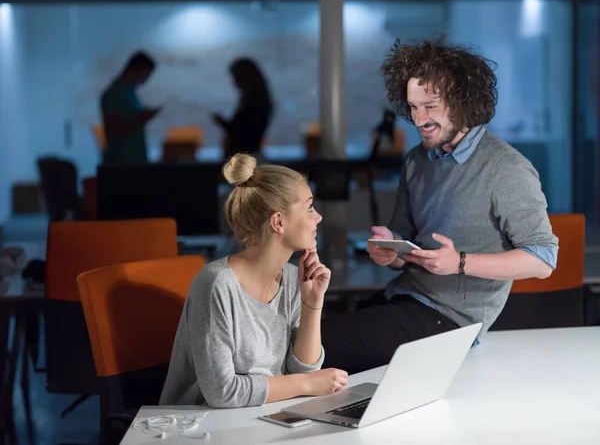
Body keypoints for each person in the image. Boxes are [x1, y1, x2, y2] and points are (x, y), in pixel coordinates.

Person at [321, 38, 559, 375]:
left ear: (464, 102)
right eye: (413, 107)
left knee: (317, 348)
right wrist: (392, 251)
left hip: (451, 319)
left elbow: (542, 260)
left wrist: (459, 262)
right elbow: (406, 240)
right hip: (403, 296)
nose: (418, 119)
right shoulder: (417, 160)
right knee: (303, 338)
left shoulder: (506, 167)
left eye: (430, 106)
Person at [160, 154, 348, 408]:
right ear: (279, 222)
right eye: (309, 208)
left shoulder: (293, 278)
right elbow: (221, 392)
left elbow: (303, 368)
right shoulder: (217, 283)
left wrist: (312, 304)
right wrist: (307, 384)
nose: (318, 217)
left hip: (262, 415)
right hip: (200, 425)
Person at [100, 51, 160, 165]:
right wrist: (140, 119)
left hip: (135, 159)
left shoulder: (130, 93)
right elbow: (113, 132)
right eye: (146, 74)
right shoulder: (114, 94)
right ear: (135, 70)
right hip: (121, 162)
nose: (146, 80)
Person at [212, 58, 273, 159]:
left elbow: (244, 134)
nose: (234, 81)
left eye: (236, 76)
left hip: (245, 158)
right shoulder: (257, 101)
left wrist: (223, 123)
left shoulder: (255, 103)